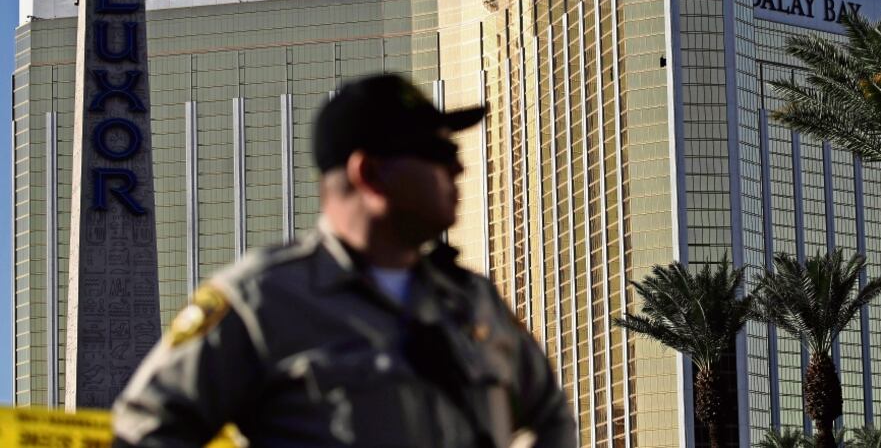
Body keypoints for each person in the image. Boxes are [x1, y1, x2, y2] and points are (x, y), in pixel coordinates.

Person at [112, 74, 576, 447]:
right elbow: (144, 429)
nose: (458, 168)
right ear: (369, 174)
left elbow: (551, 416)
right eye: (438, 153)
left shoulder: (473, 300)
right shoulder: (261, 300)